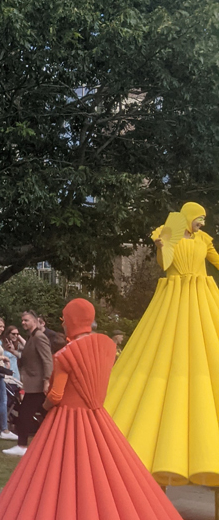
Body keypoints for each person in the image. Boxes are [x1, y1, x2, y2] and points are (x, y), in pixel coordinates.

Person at [0, 298, 197, 520]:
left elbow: (58, 394)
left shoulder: (66, 354)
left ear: (71, 319)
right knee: (105, 484)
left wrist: (44, 404)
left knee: (61, 485)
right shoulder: (107, 347)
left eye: (64, 317)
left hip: (66, 423)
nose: (62, 322)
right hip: (98, 419)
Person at [106, 201, 219, 487]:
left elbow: (216, 260)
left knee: (205, 350)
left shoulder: (204, 241)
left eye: (203, 220)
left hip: (202, 299)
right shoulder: (167, 233)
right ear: (188, 217)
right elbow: (165, 263)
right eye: (199, 219)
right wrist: (159, 245)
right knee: (163, 352)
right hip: (173, 297)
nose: (202, 224)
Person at [3, 310, 54, 457]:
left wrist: (46, 381)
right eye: (23, 320)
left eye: (26, 320)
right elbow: (28, 360)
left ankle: (22, 445)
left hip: (37, 385)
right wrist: (13, 352)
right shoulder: (32, 337)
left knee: (25, 415)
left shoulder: (39, 337)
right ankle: (24, 444)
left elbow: (47, 360)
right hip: (33, 384)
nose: (23, 322)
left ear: (35, 321)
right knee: (44, 414)